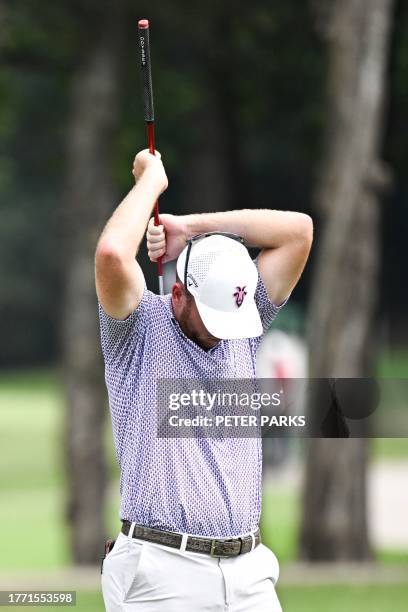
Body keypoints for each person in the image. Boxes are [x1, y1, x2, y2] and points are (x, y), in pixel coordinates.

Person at [95, 149, 313, 611]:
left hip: (249, 571)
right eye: (212, 318)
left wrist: (191, 227)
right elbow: (113, 254)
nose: (224, 332)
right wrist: (151, 182)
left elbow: (299, 232)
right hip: (160, 573)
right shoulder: (136, 330)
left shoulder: (241, 321)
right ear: (178, 293)